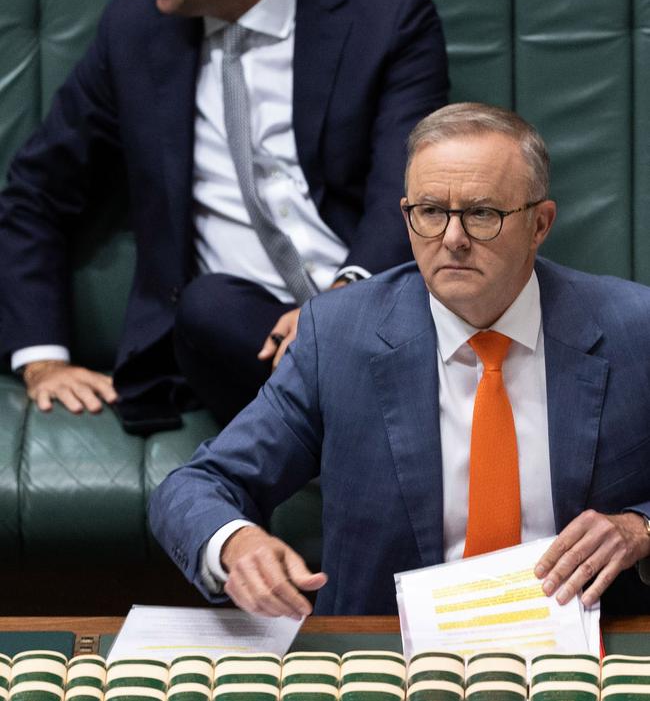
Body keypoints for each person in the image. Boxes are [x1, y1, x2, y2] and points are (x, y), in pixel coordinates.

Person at [0, 0, 448, 432]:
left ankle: (343, 435)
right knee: (209, 307)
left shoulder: (388, 22)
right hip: (239, 340)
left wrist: (337, 312)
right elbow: (36, 194)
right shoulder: (133, 35)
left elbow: (411, 194)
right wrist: (41, 359)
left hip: (374, 315)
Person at [149, 103, 650, 617]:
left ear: (540, 223)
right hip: (390, 656)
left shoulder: (634, 329)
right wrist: (235, 544)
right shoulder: (338, 336)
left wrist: (640, 528)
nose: (452, 239)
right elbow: (198, 485)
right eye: (431, 212)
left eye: (482, 214)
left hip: (585, 649)